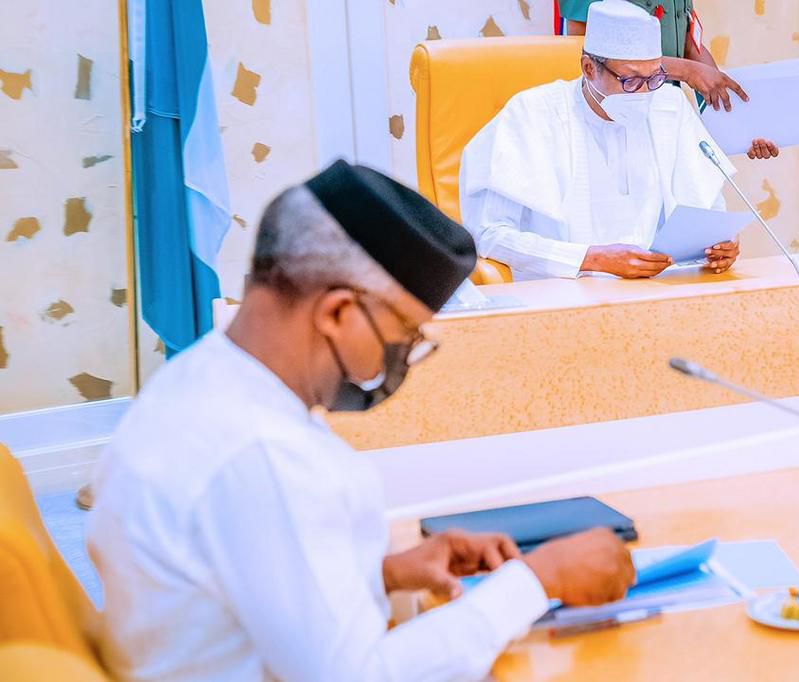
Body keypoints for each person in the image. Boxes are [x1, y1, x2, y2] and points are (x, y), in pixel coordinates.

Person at [87, 160, 636, 682]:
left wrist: (387, 572)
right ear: (338, 313)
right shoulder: (261, 452)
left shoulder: (196, 387)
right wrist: (539, 581)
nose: (396, 363)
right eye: (403, 338)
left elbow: (235, 595)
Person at [461, 0, 743, 281]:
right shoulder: (531, 114)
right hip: (561, 297)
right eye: (630, 80)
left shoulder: (668, 106)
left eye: (654, 77)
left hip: (657, 294)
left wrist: (719, 246)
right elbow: (490, 234)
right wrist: (591, 259)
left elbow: (707, 209)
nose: (644, 93)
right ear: (588, 68)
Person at [560, 0, 780, 160]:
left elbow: (689, 39)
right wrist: (685, 71)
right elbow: (581, 49)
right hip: (612, 123)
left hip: (666, 121)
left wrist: (737, 127)